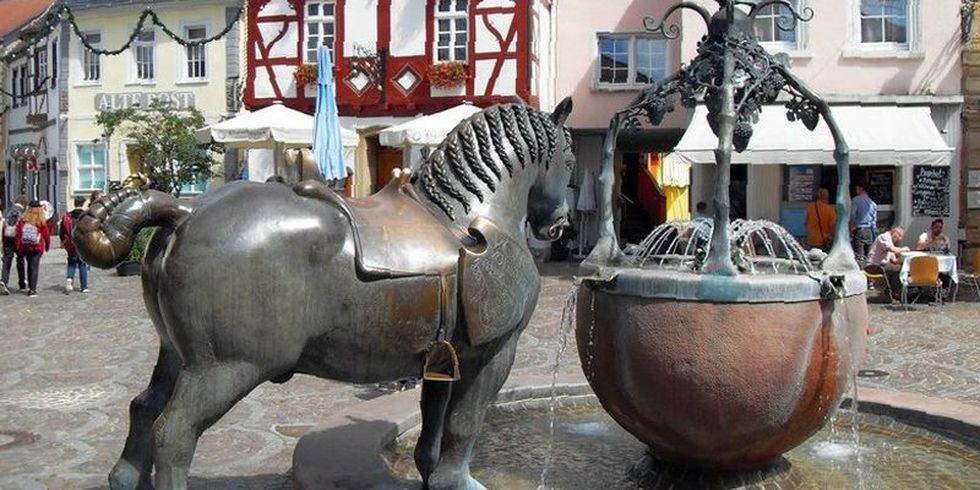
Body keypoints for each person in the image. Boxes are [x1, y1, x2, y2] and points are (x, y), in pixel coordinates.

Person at [15, 201, 51, 297]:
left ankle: (30, 287)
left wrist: (19, 247)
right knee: (34, 267)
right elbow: (46, 234)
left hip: (27, 245)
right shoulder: (41, 219)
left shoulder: (24, 219)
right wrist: (47, 245)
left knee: (30, 265)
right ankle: (33, 289)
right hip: (38, 246)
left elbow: (18, 233)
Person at [867, 226, 910, 301]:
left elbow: (893, 259)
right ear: (894, 233)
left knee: (901, 268)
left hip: (882, 265)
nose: (899, 239)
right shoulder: (884, 237)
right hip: (874, 266)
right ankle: (894, 293)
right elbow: (892, 249)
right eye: (899, 236)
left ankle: (891, 291)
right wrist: (904, 249)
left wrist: (900, 261)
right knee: (899, 270)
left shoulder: (889, 241)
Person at [61, 196, 90, 294]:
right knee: (82, 264)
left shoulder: (67, 216)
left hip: (71, 244)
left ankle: (69, 278)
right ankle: (84, 287)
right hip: (82, 243)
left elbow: (62, 231)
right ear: (83, 204)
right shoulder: (86, 216)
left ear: (74, 204)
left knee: (71, 263)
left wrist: (62, 242)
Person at [1, 195, 28, 295]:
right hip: (18, 239)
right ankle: (22, 283)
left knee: (7, 260)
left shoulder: (7, 210)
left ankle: (3, 281)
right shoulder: (23, 212)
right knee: (20, 260)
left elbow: (3, 224)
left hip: (7, 237)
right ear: (24, 203)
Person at [849, 182, 877, 266]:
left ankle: (861, 274)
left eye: (857, 188)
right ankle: (869, 273)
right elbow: (874, 221)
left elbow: (853, 215)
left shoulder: (856, 200)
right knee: (869, 256)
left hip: (860, 230)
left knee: (859, 255)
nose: (856, 190)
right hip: (869, 231)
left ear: (861, 188)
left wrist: (851, 227)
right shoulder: (872, 203)